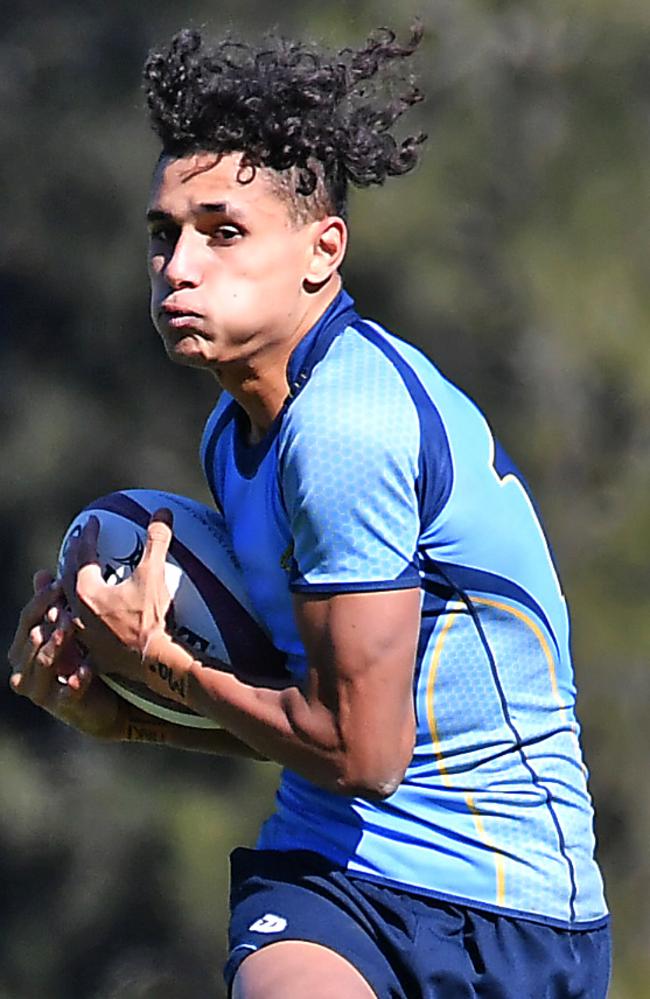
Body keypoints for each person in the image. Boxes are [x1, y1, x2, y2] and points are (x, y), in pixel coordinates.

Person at [8, 24, 610, 999]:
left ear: (322, 250)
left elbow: (363, 755)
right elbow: (316, 725)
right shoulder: (234, 431)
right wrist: (128, 717)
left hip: (506, 912)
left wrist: (159, 668)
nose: (178, 266)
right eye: (165, 234)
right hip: (330, 878)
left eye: (223, 231)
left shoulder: (345, 431)